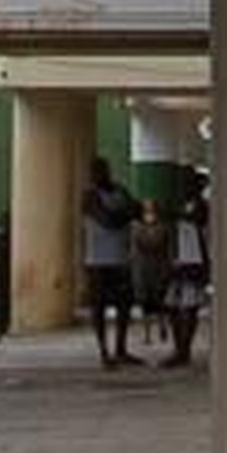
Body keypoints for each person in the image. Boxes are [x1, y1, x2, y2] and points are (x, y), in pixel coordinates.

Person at [77, 152, 141, 367]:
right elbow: (108, 220)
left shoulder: (119, 189)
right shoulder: (89, 195)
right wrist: (125, 213)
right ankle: (104, 352)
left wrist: (125, 213)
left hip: (121, 257)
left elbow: (138, 209)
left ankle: (121, 349)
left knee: (124, 305)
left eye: (101, 170)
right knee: (99, 306)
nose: (98, 175)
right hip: (97, 259)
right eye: (95, 171)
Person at [159, 168, 211, 370]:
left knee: (190, 307)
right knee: (172, 305)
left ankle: (184, 349)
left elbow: (197, 219)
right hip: (178, 259)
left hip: (194, 260)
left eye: (188, 183)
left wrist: (174, 214)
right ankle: (178, 347)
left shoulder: (201, 205)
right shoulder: (180, 205)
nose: (184, 187)